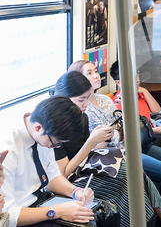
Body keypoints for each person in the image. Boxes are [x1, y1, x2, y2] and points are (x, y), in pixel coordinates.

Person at [50, 71, 161, 227]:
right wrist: (92, 142)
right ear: (63, 99)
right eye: (81, 100)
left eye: (88, 98)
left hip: (91, 164)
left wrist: (99, 141)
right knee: (128, 177)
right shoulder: (56, 127)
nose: (85, 104)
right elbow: (63, 174)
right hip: (73, 181)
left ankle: (159, 218)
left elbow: (89, 151)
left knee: (132, 171)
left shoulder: (82, 117)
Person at [0, 96, 95, 227]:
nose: (55, 147)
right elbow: (7, 216)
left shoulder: (44, 133)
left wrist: (76, 192)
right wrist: (56, 211)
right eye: (56, 144)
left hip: (42, 201)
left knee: (97, 214)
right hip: (21, 214)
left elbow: (52, 176)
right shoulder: (8, 149)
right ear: (38, 128)